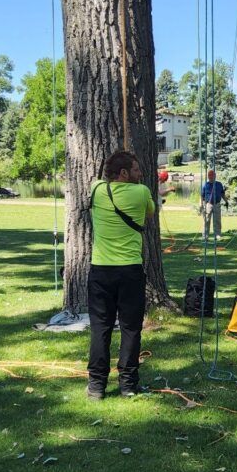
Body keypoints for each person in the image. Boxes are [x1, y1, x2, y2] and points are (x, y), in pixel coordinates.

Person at [87, 150, 155, 399]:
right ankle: (127, 383)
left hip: (100, 271)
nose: (140, 173)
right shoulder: (142, 192)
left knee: (100, 328)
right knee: (130, 328)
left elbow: (100, 181)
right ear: (124, 173)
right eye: (136, 170)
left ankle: (96, 386)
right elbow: (150, 214)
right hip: (130, 270)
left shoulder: (96, 189)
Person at [200, 169, 227, 242]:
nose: (211, 177)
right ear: (208, 177)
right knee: (206, 220)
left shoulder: (219, 184)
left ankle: (217, 235)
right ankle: (205, 236)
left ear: (215, 176)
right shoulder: (206, 185)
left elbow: (222, 194)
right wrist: (201, 205)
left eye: (213, 176)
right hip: (208, 204)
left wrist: (226, 201)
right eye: (210, 176)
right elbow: (202, 196)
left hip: (217, 204)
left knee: (217, 221)